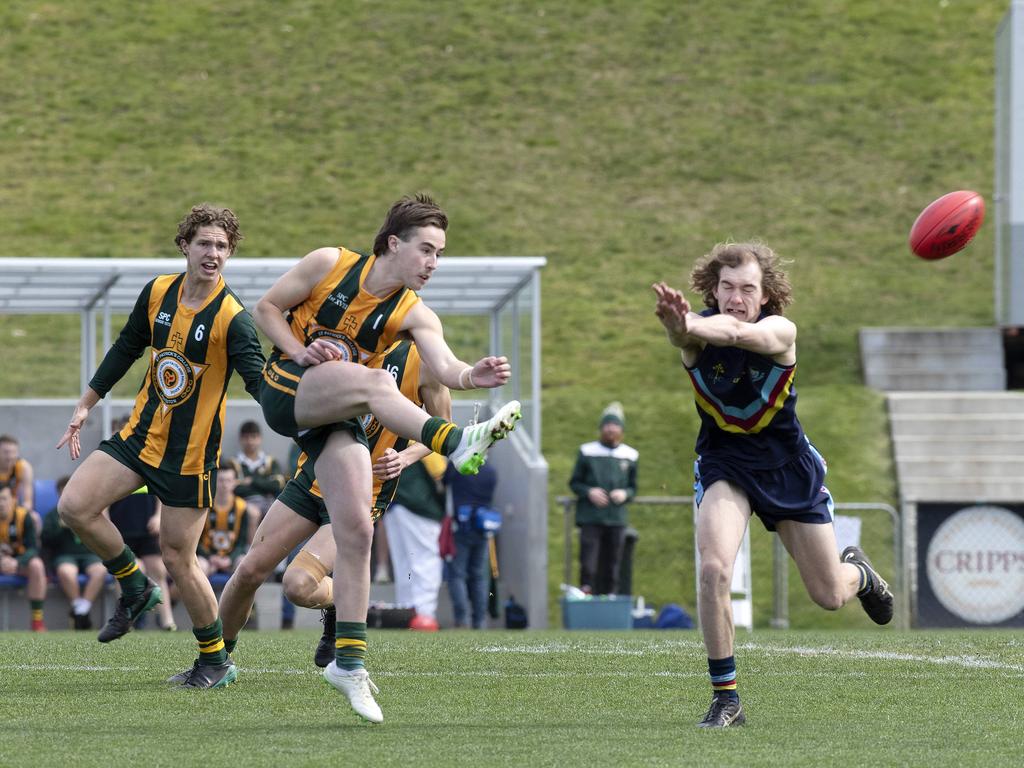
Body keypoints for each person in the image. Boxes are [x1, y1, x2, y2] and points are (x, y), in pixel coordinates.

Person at [252, 193, 520, 721]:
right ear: (393, 243)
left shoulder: (413, 314)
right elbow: (265, 308)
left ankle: (346, 663)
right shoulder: (330, 263)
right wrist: (298, 350)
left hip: (336, 424)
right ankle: (458, 441)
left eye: (440, 253)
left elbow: (444, 368)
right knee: (377, 382)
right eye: (427, 250)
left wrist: (472, 376)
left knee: (357, 531)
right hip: (286, 389)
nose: (433, 263)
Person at [652, 242, 894, 729]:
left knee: (828, 595)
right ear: (712, 290)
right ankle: (727, 699)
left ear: (765, 297)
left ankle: (860, 573)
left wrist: (690, 326)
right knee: (714, 569)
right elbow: (687, 337)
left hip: (788, 466)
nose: (736, 297)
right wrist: (680, 327)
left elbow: (742, 334)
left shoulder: (781, 330)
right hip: (725, 462)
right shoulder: (697, 333)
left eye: (747, 289)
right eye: (727, 287)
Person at [56, 203, 265, 689]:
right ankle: (134, 586)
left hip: (189, 458)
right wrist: (87, 403)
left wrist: (304, 418)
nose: (213, 253)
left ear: (229, 253)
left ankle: (214, 661)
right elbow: (127, 345)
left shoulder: (234, 319)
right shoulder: (158, 292)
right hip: (139, 436)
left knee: (178, 559)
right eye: (204, 244)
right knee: (75, 506)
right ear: (184, 246)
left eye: (222, 246)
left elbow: (259, 384)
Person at [216, 338, 450, 697]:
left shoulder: (421, 356)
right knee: (248, 571)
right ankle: (214, 661)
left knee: (297, 585)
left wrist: (405, 458)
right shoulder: (341, 334)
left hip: (362, 493)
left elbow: (442, 427)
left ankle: (346, 603)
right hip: (311, 478)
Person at [568, 402, 638, 596]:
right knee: (588, 564)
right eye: (607, 425)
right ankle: (586, 596)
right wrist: (589, 492)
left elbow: (633, 487)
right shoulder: (587, 451)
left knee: (612, 564)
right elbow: (575, 483)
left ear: (621, 429)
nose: (610, 429)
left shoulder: (630, 455)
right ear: (601, 428)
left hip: (616, 518)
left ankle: (610, 599)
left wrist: (625, 494)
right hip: (591, 518)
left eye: (614, 425)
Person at [383, 453, 447, 630]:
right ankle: (424, 616)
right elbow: (439, 472)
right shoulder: (422, 431)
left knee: (403, 564)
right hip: (419, 503)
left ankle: (406, 615)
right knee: (426, 560)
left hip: (394, 502)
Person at [40, 476, 107, 629]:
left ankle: (80, 611)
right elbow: (45, 540)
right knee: (66, 572)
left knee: (100, 571)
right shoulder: (53, 515)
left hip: (88, 554)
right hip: (65, 556)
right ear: (58, 494)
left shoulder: (88, 512)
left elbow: (99, 533)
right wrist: (60, 527)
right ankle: (80, 609)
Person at [444, 460, 499, 629]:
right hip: (482, 527)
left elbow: (444, 483)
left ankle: (462, 619)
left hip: (460, 526)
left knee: (457, 574)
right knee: (478, 576)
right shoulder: (491, 470)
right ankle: (480, 621)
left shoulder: (457, 465)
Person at [0, 484, 47, 631]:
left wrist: (16, 561)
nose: (0, 503)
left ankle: (37, 621)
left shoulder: (23, 516)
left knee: (37, 566)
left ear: (13, 499)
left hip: (18, 563)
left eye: (3, 498)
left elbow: (33, 548)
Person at [196, 461, 252, 577]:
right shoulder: (204, 505)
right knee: (200, 567)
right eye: (221, 480)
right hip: (208, 558)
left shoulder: (241, 507)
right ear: (214, 481)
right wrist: (210, 557)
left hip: (231, 558)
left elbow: (242, 542)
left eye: (228, 481)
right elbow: (196, 540)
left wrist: (230, 559)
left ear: (235, 483)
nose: (224, 485)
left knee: (244, 564)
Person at [233, 420, 286, 525]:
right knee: (253, 513)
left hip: (268, 502)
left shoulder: (270, 462)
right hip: (244, 503)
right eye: (246, 437)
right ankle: (250, 542)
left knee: (277, 512)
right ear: (240, 439)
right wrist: (265, 485)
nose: (250, 441)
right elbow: (235, 488)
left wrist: (251, 481)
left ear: (260, 438)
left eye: (254, 437)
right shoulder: (234, 463)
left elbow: (278, 485)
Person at [0, 434, 37, 531]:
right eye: (6, 452)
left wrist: (20, 514)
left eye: (14, 452)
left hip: (13, 508)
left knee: (34, 518)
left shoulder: (24, 467)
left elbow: (27, 502)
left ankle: (31, 546)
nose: (10, 456)